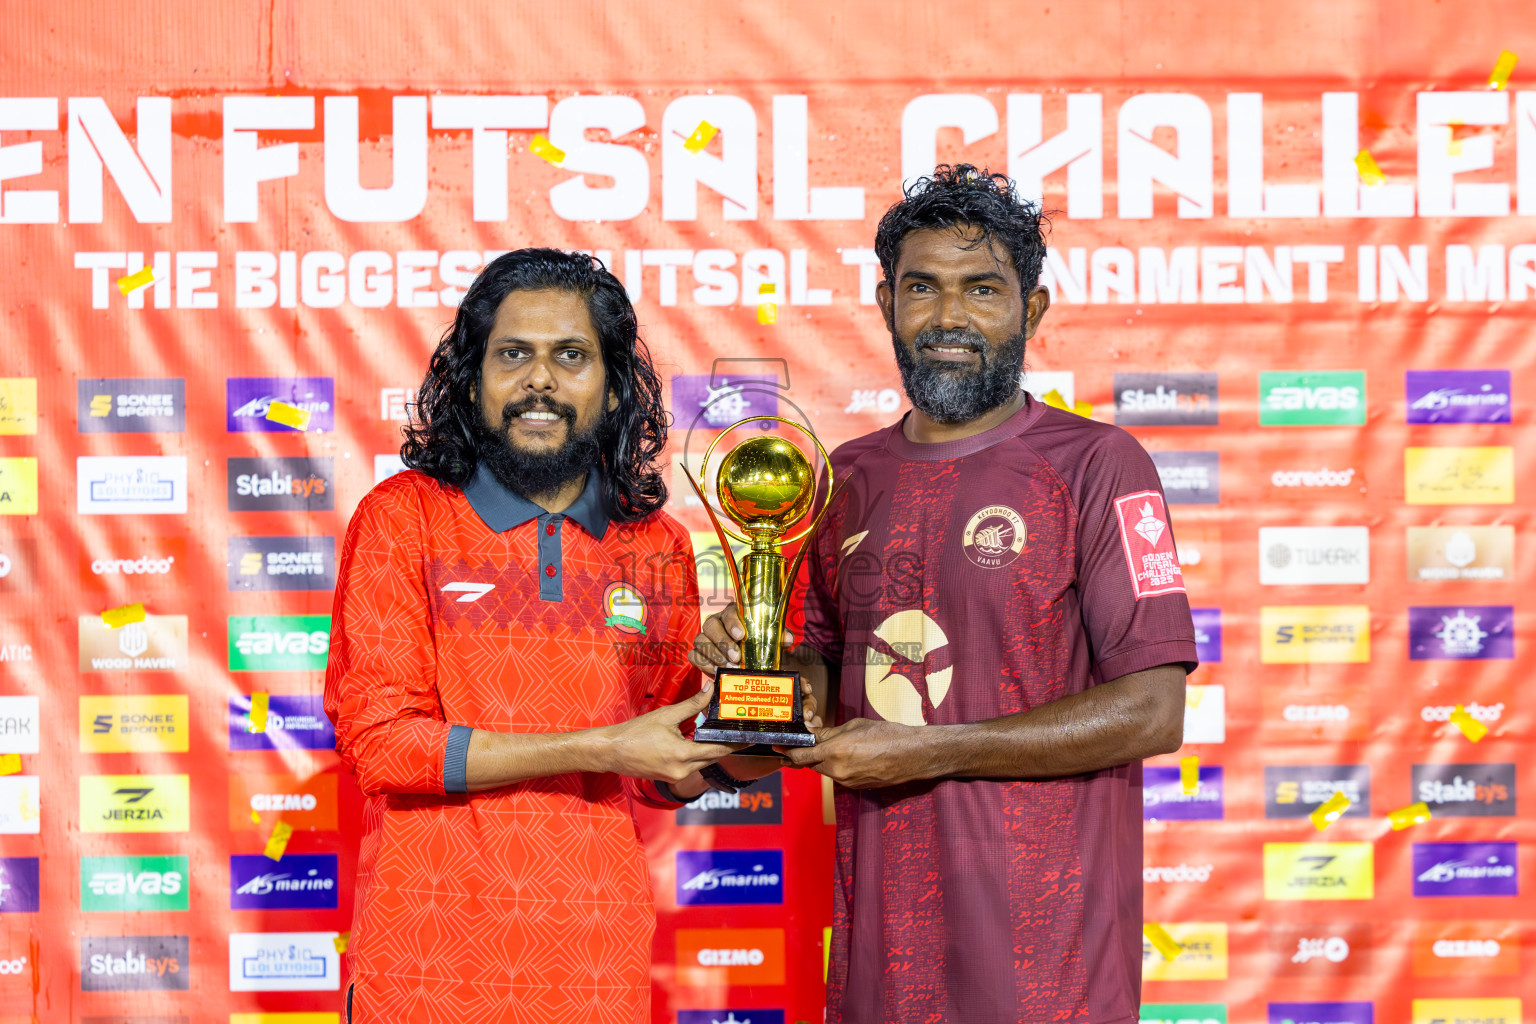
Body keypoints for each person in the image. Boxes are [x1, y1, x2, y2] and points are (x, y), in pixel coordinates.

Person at [690, 166, 1199, 1024]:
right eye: (922, 289)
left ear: (1031, 311)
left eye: (983, 290)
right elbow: (816, 685)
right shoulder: (842, 476)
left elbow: (1154, 711)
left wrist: (932, 748)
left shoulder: (1101, 466)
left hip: (1049, 969)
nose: (950, 318)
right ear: (887, 303)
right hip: (878, 966)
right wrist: (761, 666)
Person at [325, 249, 790, 1023]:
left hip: (594, 969)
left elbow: (660, 770)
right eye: (513, 355)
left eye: (570, 356)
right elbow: (381, 744)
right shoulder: (400, 518)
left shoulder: (657, 546)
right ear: (472, 381)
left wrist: (746, 710)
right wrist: (601, 746)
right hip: (424, 968)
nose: (539, 380)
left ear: (613, 388)